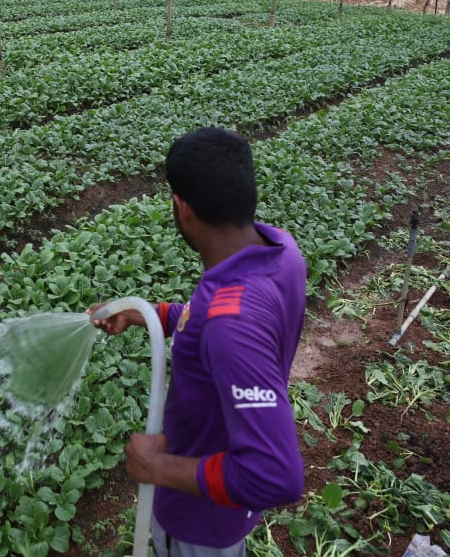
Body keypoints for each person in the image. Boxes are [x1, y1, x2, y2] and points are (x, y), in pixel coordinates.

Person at [89, 127, 306, 556]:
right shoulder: (279, 249)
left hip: (198, 524)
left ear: (182, 207)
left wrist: (158, 467)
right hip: (220, 509)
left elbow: (276, 475)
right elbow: (216, 319)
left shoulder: (231, 325)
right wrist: (146, 314)